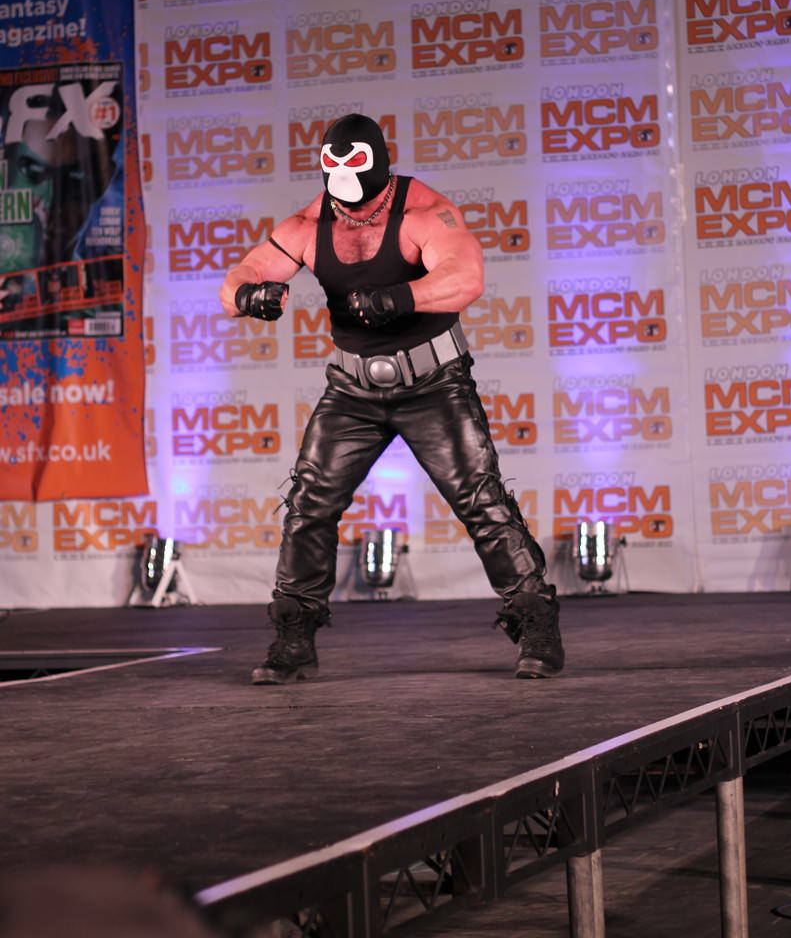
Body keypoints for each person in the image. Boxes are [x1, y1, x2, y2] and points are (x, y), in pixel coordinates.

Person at [220, 114, 564, 684]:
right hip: (352, 389)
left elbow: (466, 277)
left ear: (377, 163)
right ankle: (294, 637)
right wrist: (250, 295)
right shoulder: (308, 225)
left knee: (482, 502)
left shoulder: (424, 212)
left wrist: (401, 297)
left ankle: (537, 623)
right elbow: (240, 276)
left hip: (434, 384)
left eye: (353, 165)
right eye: (332, 167)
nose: (342, 181)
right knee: (309, 505)